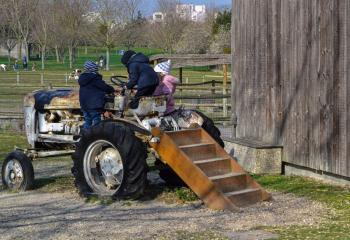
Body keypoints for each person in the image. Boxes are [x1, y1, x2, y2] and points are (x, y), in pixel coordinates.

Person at [78, 60, 114, 129]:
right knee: (96, 121)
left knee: (88, 121)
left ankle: (86, 136)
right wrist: (112, 90)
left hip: (84, 104)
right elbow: (104, 87)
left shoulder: (82, 78)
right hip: (94, 105)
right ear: (94, 69)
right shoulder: (95, 78)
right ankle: (96, 136)